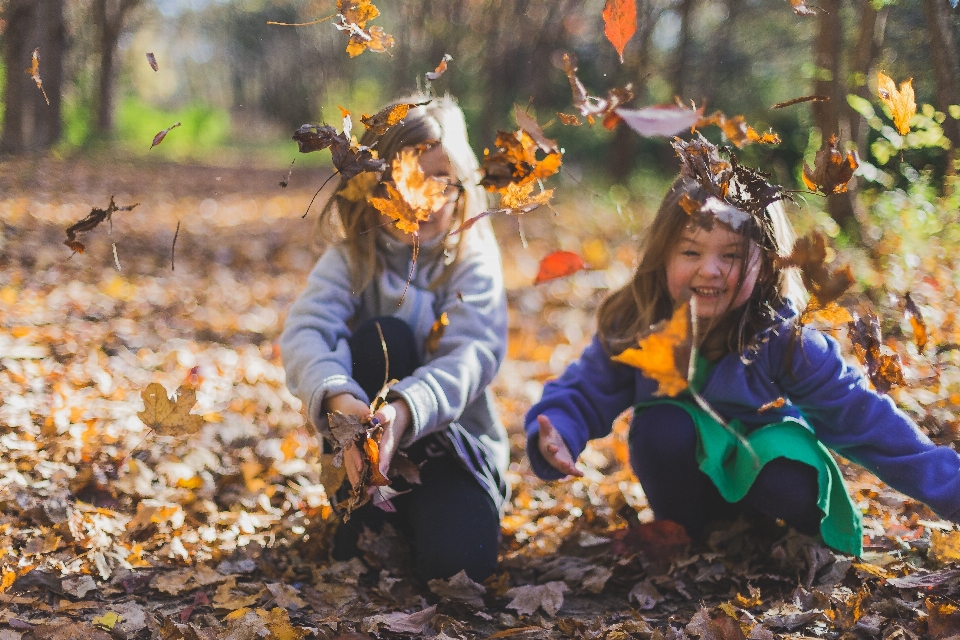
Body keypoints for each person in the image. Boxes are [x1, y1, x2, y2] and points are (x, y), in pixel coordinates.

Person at [525, 137, 960, 556]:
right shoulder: (640, 321)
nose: (709, 270)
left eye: (731, 255)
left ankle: (773, 537)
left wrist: (952, 490)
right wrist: (561, 430)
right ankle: (689, 533)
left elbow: (865, 419)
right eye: (691, 251)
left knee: (786, 470)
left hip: (768, 476)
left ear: (768, 264)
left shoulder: (785, 339)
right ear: (663, 255)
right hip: (686, 482)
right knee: (662, 427)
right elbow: (585, 390)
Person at [281, 96, 508, 581]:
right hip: (362, 453)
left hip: (452, 453)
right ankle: (363, 512)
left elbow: (473, 353)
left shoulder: (470, 260)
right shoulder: (353, 259)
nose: (422, 199)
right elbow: (306, 331)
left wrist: (403, 412)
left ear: (461, 186)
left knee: (461, 569)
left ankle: (438, 518)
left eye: (438, 181)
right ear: (371, 186)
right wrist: (341, 398)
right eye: (403, 179)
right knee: (383, 336)